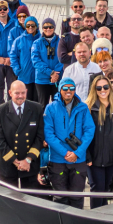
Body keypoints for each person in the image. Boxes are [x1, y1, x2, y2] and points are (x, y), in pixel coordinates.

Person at [43, 78, 93, 208]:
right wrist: (65, 152)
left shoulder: (83, 108)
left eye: (71, 88)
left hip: (78, 159)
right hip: (58, 160)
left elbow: (89, 130)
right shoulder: (51, 108)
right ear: (60, 90)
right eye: (65, 88)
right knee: (60, 198)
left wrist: (78, 152)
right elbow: (48, 134)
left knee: (77, 197)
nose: (68, 91)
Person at [0, 81, 44, 189]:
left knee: (30, 201)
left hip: (30, 165)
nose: (20, 96)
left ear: (26, 92)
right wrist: (15, 161)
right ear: (10, 93)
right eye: (17, 93)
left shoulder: (36, 108)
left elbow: (40, 137)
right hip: (8, 164)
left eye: (23, 93)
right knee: (9, 202)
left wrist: (28, 160)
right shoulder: (0, 111)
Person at [84, 74, 113, 209]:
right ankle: (95, 219)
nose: (102, 90)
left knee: (105, 189)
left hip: (111, 157)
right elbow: (83, 134)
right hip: (94, 158)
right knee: (97, 189)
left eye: (105, 86)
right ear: (94, 89)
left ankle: (103, 218)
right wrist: (87, 155)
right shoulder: (88, 107)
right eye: (99, 88)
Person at [31, 18, 64, 106]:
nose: (48, 29)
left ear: (54, 28)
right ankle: (42, 120)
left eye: (50, 27)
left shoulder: (61, 42)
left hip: (57, 79)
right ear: (42, 28)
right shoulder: (37, 43)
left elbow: (63, 58)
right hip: (42, 80)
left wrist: (56, 74)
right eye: (45, 27)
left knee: (57, 105)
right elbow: (36, 61)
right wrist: (50, 73)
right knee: (42, 105)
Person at [10, 16, 41, 104]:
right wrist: (17, 70)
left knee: (37, 101)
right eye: (28, 26)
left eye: (32, 25)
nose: (30, 27)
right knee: (25, 101)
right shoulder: (19, 40)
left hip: (38, 76)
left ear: (37, 26)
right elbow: (13, 56)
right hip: (24, 76)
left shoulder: (41, 39)